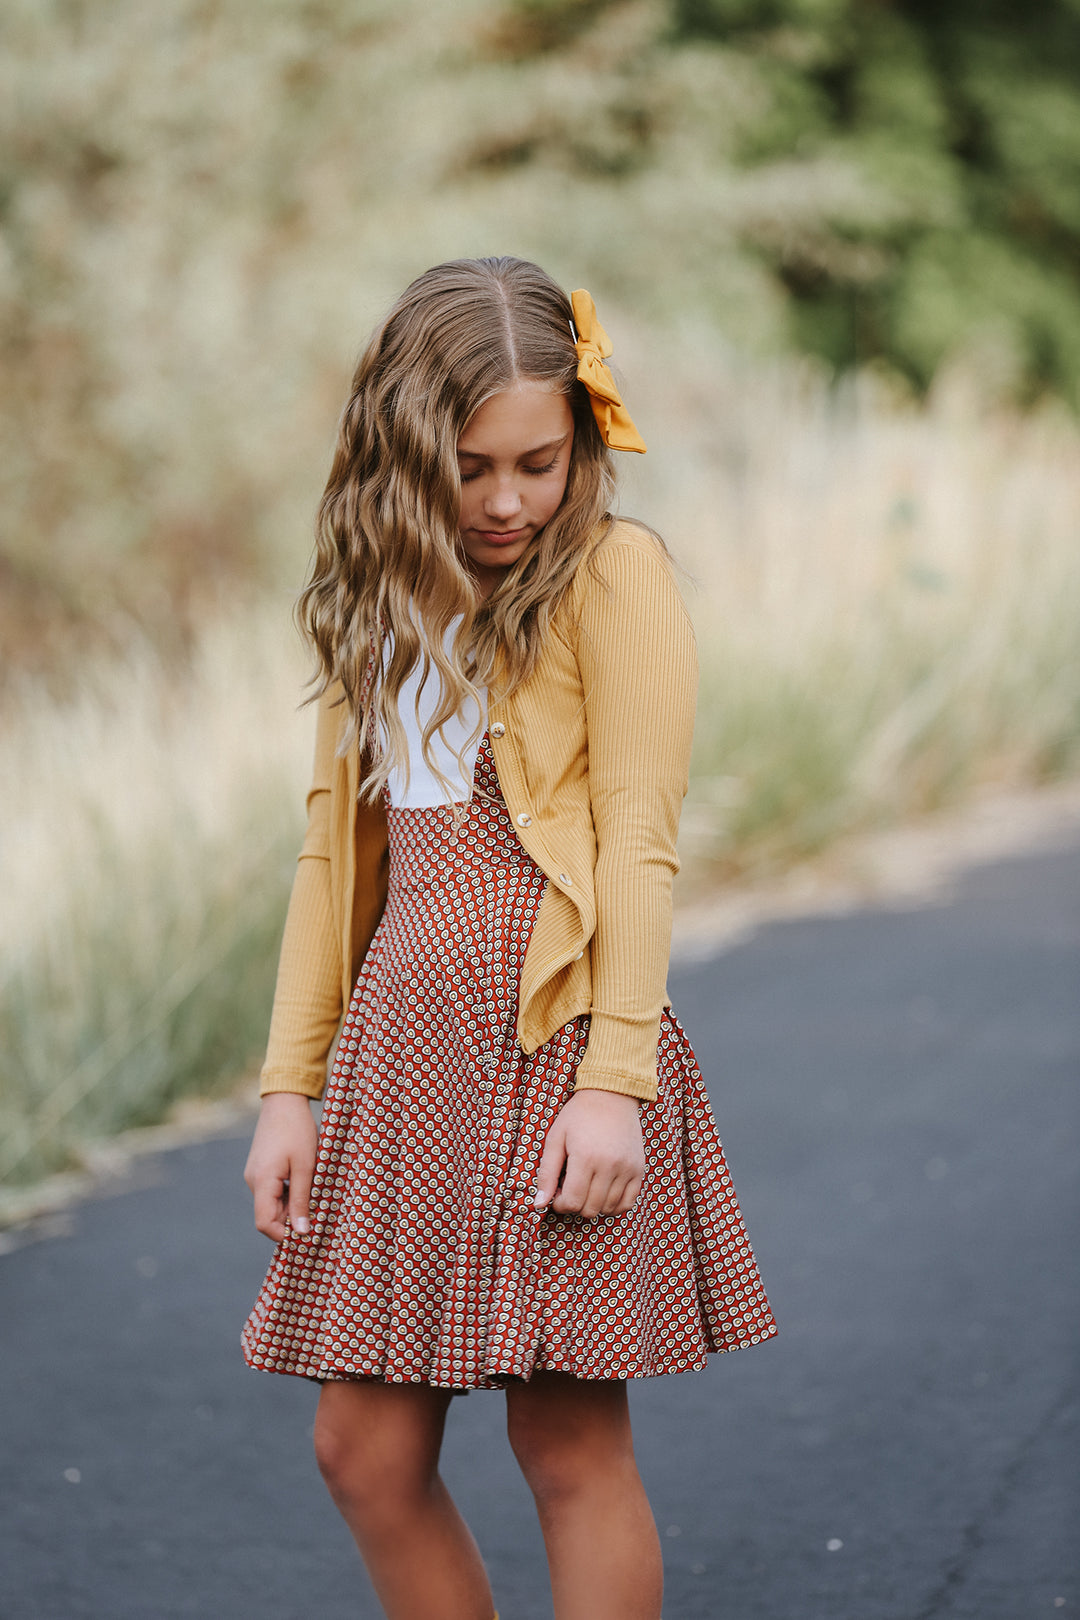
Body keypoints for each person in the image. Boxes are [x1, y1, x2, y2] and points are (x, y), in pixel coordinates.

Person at [241, 256, 776, 1620]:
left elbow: (642, 839)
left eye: (540, 462)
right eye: (471, 467)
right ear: (405, 449)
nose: (507, 501)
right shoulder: (376, 596)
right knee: (360, 1450)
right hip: (399, 1046)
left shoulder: (611, 571)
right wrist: (290, 1088)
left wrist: (617, 1083)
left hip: (551, 1033)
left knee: (567, 1441)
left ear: (581, 440)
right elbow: (332, 856)